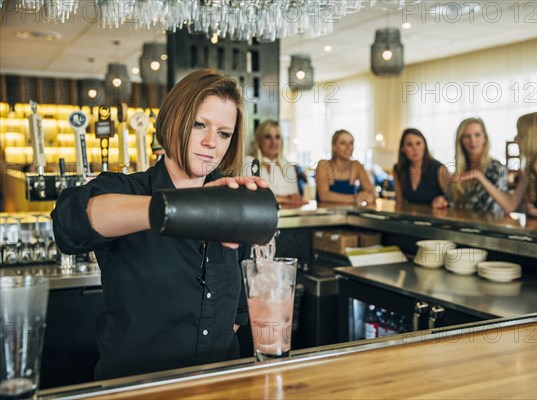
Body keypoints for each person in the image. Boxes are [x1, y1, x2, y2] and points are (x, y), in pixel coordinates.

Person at [51, 69, 268, 380]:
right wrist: (186, 208)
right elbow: (69, 225)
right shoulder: (126, 190)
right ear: (172, 122)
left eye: (224, 133)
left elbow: (239, 308)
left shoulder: (230, 201)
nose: (211, 143)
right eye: (199, 124)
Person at [459, 112, 537, 221]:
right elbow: (510, 205)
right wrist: (480, 177)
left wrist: (536, 212)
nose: (515, 139)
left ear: (532, 137)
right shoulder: (533, 166)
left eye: (520, 133)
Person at [447, 118, 508, 214]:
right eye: (467, 136)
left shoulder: (495, 168)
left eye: (477, 135)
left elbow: (480, 207)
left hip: (489, 226)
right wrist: (443, 202)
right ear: (461, 140)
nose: (472, 140)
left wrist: (478, 176)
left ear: (485, 138)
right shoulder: (461, 168)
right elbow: (454, 202)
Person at [247, 119, 306, 207]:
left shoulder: (288, 166)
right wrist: (285, 199)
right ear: (259, 140)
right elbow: (252, 197)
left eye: (277, 137)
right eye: (268, 137)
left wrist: (293, 198)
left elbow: (294, 197)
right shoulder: (249, 161)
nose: (273, 142)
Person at [315, 129, 376, 206]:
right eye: (343, 143)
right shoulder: (323, 164)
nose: (348, 147)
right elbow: (324, 196)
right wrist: (356, 198)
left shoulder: (356, 165)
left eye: (351, 143)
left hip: (349, 216)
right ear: (334, 146)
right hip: (327, 215)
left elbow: (372, 192)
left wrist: (369, 196)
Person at [393, 128, 450, 208]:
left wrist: (443, 200)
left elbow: (452, 199)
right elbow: (399, 202)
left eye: (418, 143)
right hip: (408, 218)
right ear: (403, 149)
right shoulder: (398, 169)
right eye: (409, 144)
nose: (415, 149)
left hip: (435, 218)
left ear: (425, 146)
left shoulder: (439, 169)